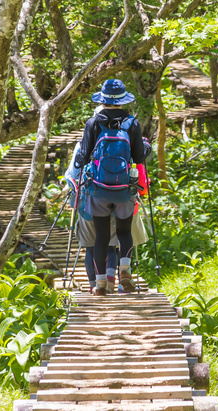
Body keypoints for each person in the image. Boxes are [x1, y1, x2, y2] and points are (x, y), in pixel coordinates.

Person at [73, 78, 148, 295]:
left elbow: (84, 157)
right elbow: (139, 157)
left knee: (102, 237)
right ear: (122, 100)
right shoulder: (132, 123)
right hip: (124, 189)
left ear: (103, 99)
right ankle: (124, 270)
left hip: (99, 188)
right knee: (124, 232)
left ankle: (100, 284)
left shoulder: (93, 123)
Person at [64, 142, 121, 293]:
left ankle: (93, 285)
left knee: (90, 247)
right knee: (110, 247)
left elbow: (72, 175)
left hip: (88, 205)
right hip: (114, 203)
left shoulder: (83, 144)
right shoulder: (119, 141)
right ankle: (109, 281)